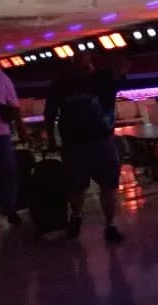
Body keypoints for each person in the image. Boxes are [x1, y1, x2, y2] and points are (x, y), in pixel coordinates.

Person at [44, 52, 129, 242]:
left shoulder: (65, 82)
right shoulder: (98, 78)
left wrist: (51, 138)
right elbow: (123, 64)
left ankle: (95, 221)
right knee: (101, 186)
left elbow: (49, 115)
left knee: (91, 186)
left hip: (85, 143)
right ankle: (95, 221)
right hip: (91, 143)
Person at [0, 66, 28, 225]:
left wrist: (21, 129)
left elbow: (13, 104)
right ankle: (8, 207)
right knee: (7, 172)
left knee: (7, 173)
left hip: (0, 133)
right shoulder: (0, 76)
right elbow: (13, 104)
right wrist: (21, 129)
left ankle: (8, 206)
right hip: (0, 133)